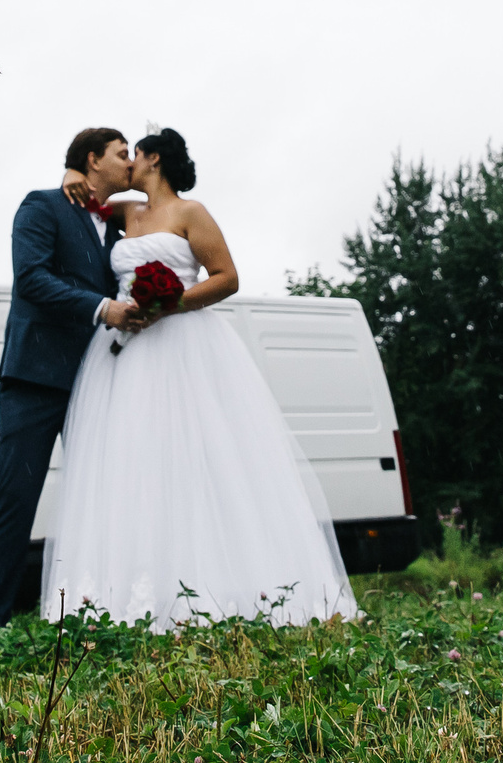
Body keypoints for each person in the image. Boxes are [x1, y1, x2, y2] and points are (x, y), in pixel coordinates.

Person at [40, 127, 358, 631]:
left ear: (154, 159)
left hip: (185, 343)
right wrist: (71, 172)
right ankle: (132, 589)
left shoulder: (191, 213)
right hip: (125, 352)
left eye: (133, 155)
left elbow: (226, 277)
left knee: (198, 458)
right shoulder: (125, 213)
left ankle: (221, 584)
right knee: (132, 461)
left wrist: (170, 304)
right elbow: (85, 197)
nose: (127, 164)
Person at [0, 127, 140, 626]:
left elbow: (155, 191)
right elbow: (32, 278)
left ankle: (107, 607)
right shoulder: (42, 205)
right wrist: (102, 306)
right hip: (36, 378)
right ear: (92, 159)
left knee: (103, 494)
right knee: (16, 498)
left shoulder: (117, 223)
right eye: (121, 153)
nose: (130, 161)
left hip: (99, 379)